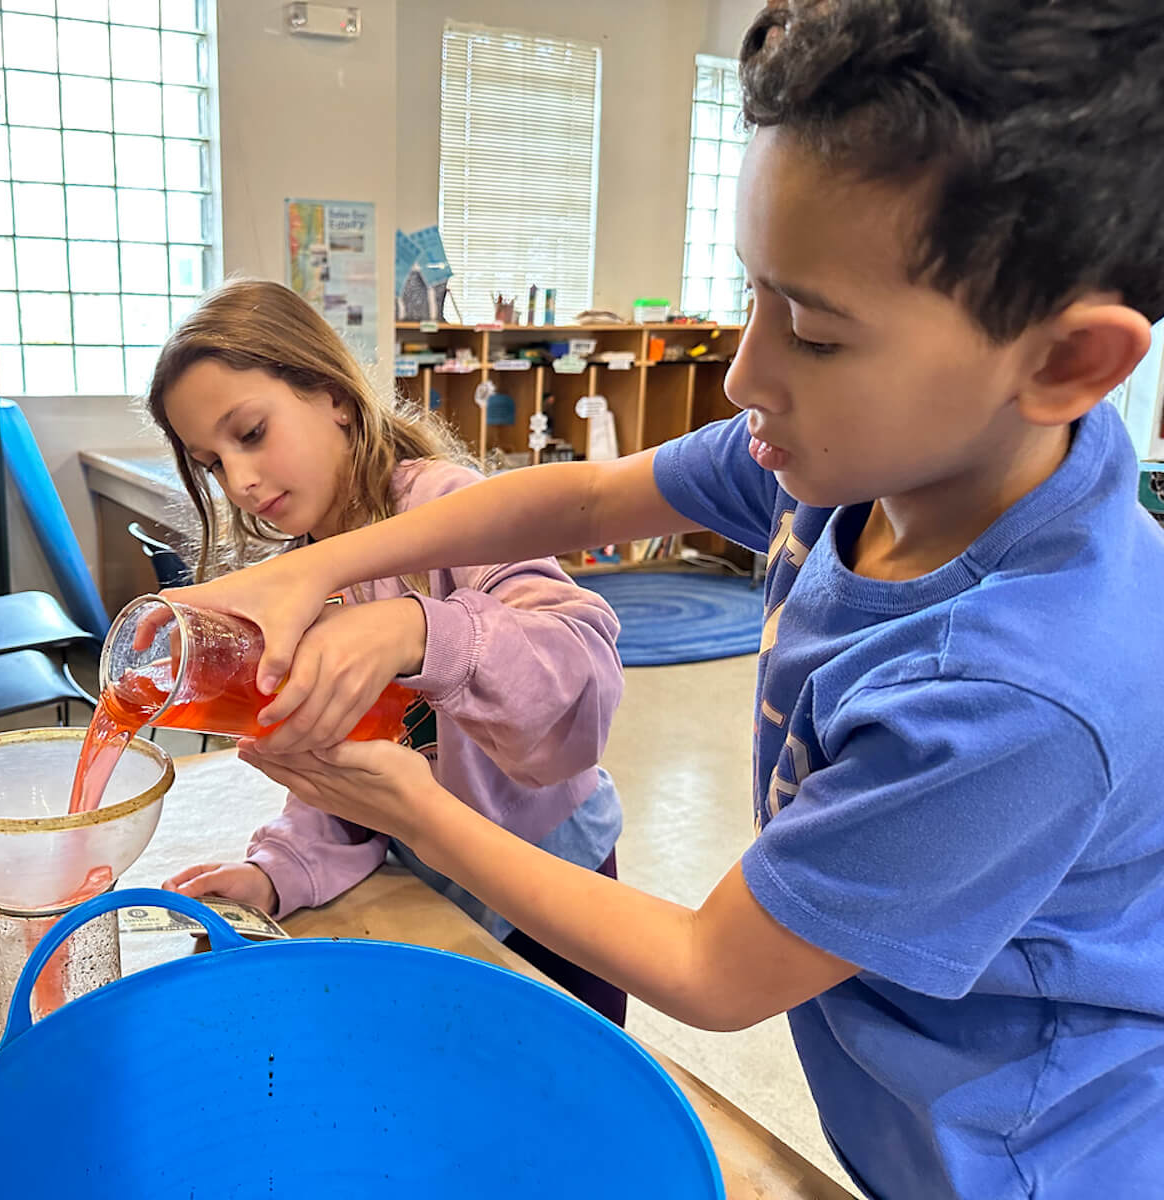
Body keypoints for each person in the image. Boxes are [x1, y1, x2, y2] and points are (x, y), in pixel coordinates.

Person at [157, 4, 1164, 1196]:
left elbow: (708, 970)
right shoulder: (844, 461)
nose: (744, 373)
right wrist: (309, 569)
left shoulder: (1017, 693)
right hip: (895, 1088)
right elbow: (583, 501)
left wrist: (415, 809)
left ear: (1062, 363)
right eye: (754, 294)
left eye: (816, 330)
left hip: (1026, 1155)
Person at [146, 278, 629, 1022]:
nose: (239, 481)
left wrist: (418, 629)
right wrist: (276, 874)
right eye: (211, 463)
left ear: (332, 395)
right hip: (433, 882)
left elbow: (579, 677)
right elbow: (335, 776)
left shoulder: (445, 507)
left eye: (250, 433)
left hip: (552, 884)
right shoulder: (299, 578)